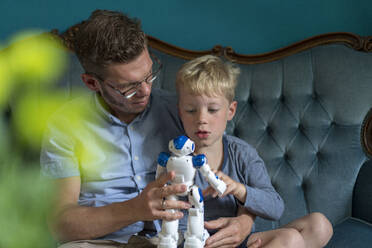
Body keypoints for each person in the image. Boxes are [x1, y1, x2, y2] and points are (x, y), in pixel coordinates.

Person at [41, 9, 258, 248]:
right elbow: (61, 225)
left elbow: (231, 172)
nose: (145, 91)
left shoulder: (183, 111)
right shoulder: (65, 126)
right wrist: (134, 209)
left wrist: (245, 220)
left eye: (149, 75)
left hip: (176, 239)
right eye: (129, 87)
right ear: (92, 83)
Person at [174, 54, 334, 248]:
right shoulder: (176, 159)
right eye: (191, 110)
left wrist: (240, 190)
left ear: (230, 111)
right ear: (180, 111)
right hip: (196, 242)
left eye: (213, 109)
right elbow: (169, 217)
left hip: (238, 239)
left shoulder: (242, 153)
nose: (202, 119)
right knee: (290, 240)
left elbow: (275, 207)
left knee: (320, 225)